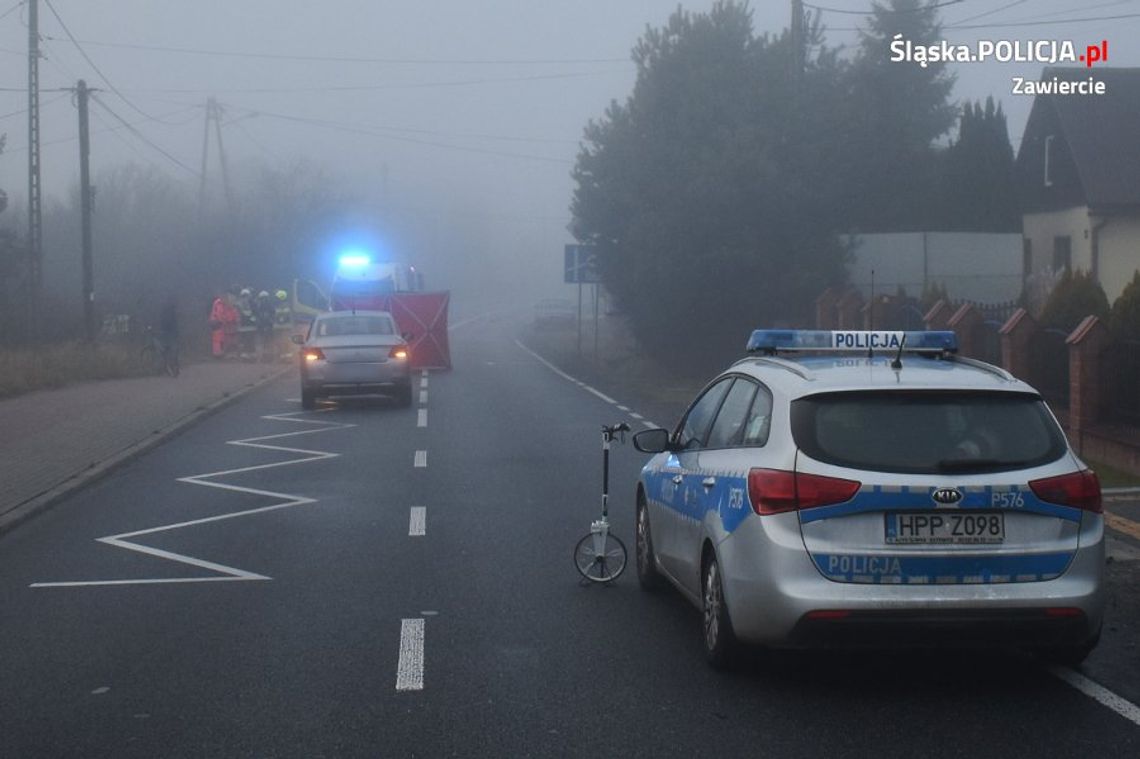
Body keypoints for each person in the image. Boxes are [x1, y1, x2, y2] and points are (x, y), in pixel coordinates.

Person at [157, 296, 180, 376]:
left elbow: (162, 322)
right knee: (174, 350)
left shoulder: (164, 311)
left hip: (166, 332)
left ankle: (167, 368)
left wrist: (161, 330)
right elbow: (175, 322)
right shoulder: (172, 310)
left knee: (165, 350)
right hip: (173, 332)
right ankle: (175, 367)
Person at [254, 290, 276, 362]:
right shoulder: (258, 306)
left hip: (268, 326)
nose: (264, 300)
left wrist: (269, 323)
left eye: (265, 298)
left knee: (268, 342)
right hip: (262, 327)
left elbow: (273, 315)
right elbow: (257, 316)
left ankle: (269, 357)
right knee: (263, 342)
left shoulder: (269, 306)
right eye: (262, 298)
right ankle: (264, 357)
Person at [209, 291, 229, 358]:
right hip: (217, 322)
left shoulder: (217, 302)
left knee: (216, 338)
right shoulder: (219, 303)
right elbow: (219, 314)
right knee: (218, 338)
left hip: (214, 322)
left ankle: (217, 353)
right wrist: (224, 322)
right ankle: (218, 354)